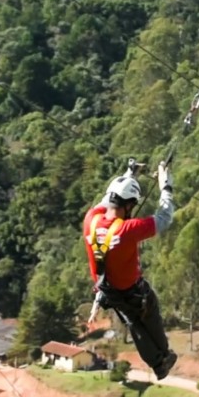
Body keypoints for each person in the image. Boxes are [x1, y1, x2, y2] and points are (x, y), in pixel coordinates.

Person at [83, 159, 179, 380]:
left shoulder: (91, 220)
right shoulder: (127, 229)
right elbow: (164, 218)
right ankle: (162, 357)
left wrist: (130, 174)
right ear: (128, 206)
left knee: (133, 322)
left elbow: (107, 199)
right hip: (131, 289)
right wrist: (166, 186)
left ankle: (159, 363)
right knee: (149, 313)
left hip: (108, 289)